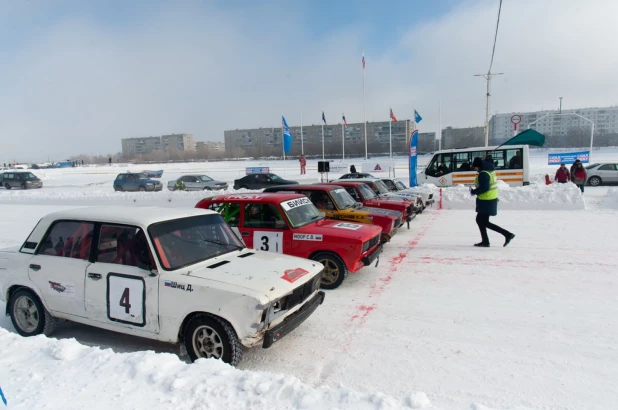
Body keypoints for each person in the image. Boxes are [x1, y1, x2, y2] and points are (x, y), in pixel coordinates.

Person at [470, 157, 515, 248]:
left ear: (478, 166)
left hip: (486, 200)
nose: (475, 169)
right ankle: (486, 241)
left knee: (482, 221)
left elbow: (484, 188)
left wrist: (474, 192)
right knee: (481, 221)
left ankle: (506, 234)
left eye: (475, 167)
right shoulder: (490, 171)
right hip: (490, 199)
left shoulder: (483, 174)